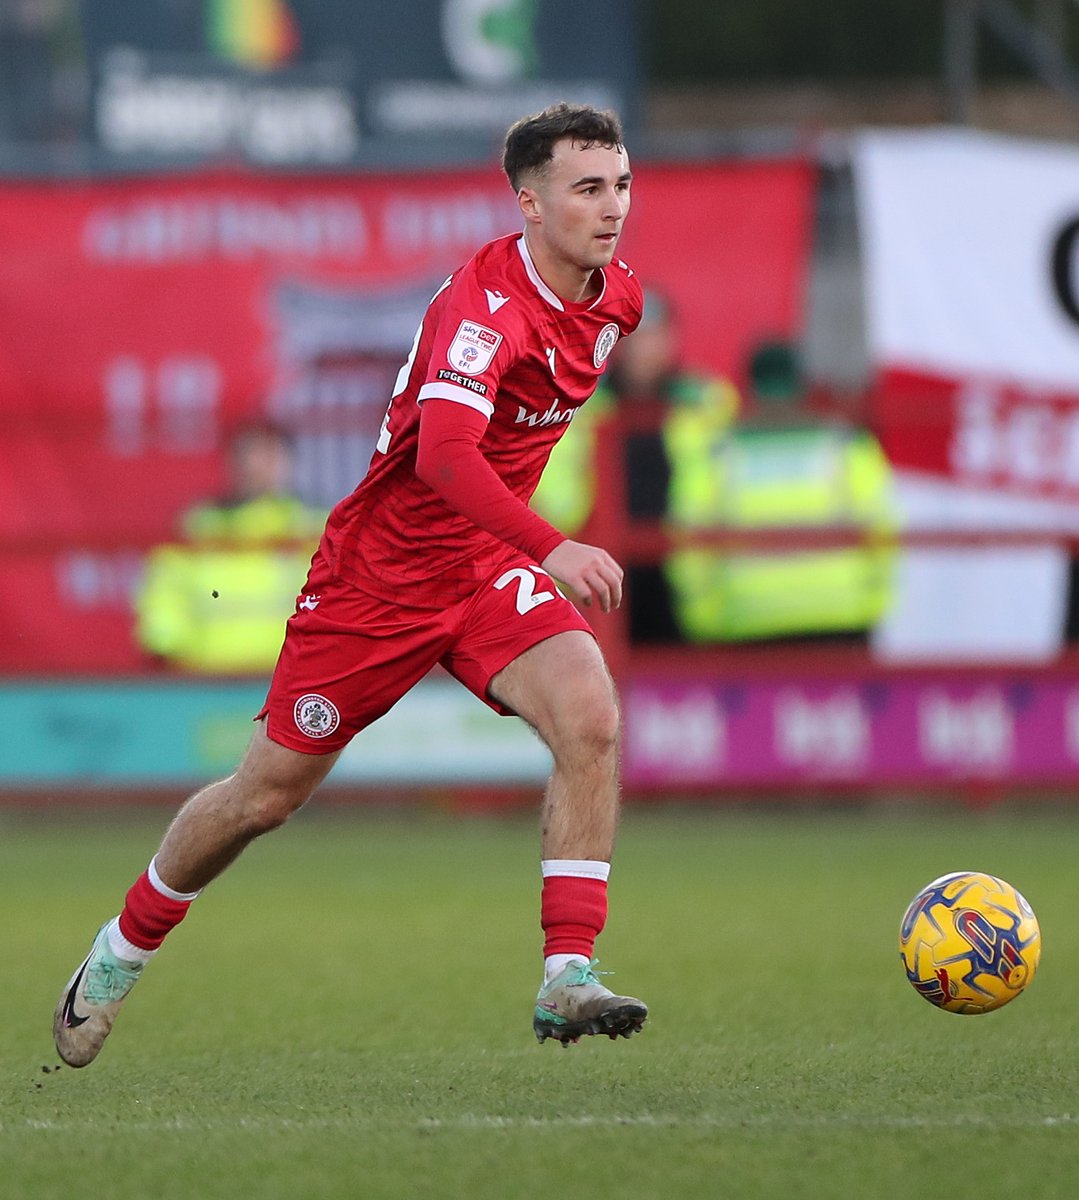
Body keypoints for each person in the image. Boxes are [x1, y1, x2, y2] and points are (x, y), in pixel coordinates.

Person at [53, 102, 648, 1067]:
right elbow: (447, 460)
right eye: (587, 188)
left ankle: (567, 976)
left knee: (591, 718)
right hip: (379, 584)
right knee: (262, 799)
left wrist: (517, 555)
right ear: (529, 204)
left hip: (483, 571)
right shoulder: (481, 312)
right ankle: (117, 955)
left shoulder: (616, 296)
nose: (612, 206)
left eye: (620, 184)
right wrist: (551, 546)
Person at [531, 290, 739, 643]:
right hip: (602, 568)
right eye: (636, 339)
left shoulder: (706, 400)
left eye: (655, 338)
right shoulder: (582, 404)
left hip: (684, 573)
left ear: (672, 340)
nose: (646, 350)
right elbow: (553, 487)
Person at [664, 338, 897, 643]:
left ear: (747, 388)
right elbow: (883, 533)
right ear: (804, 386)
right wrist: (871, 608)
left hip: (745, 621)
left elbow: (688, 545)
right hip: (840, 619)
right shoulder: (847, 448)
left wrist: (706, 622)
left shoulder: (715, 455)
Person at [135, 421, 327, 674]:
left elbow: (337, 602)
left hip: (291, 679)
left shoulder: (313, 527)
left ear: (289, 463)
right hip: (205, 681)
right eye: (248, 455)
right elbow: (164, 598)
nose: (256, 466)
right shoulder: (199, 526)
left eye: (268, 456)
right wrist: (167, 650)